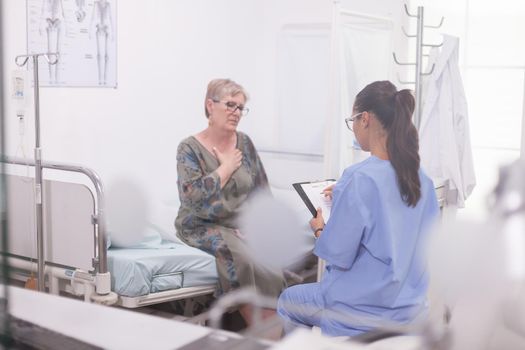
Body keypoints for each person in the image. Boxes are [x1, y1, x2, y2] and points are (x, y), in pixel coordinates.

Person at [277, 81, 440, 337]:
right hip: (411, 311)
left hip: (360, 311)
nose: (352, 128)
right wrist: (343, 194)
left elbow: (338, 253)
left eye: (352, 120)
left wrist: (320, 229)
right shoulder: (422, 179)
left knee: (288, 300)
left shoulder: (358, 178)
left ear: (364, 119)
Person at [175, 78, 286, 326]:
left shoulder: (244, 144)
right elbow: (191, 197)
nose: (236, 113)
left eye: (240, 108)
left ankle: (272, 327)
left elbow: (261, 191)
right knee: (241, 256)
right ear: (210, 106)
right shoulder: (189, 148)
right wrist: (224, 169)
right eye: (230, 105)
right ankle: (259, 327)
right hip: (200, 225)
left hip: (238, 225)